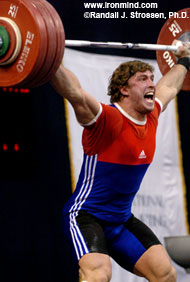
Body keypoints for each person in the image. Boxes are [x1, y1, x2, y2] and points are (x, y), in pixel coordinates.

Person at [50, 40, 190, 282]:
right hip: (86, 215)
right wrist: (48, 61)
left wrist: (185, 60)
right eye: (143, 79)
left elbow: (170, 87)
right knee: (98, 275)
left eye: (151, 77)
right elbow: (74, 92)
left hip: (121, 220)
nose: (151, 84)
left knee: (165, 274)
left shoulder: (153, 113)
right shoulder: (106, 119)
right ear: (124, 89)